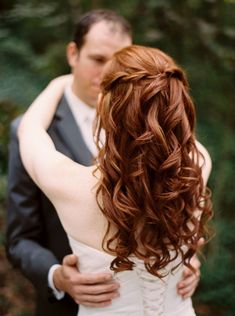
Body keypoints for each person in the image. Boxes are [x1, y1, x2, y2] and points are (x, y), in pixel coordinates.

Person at [6, 9, 201, 316]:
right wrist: (56, 275)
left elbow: (31, 131)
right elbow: (19, 239)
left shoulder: (67, 180)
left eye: (117, 64)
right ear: (74, 53)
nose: (107, 74)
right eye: (98, 60)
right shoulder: (196, 162)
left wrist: (185, 260)